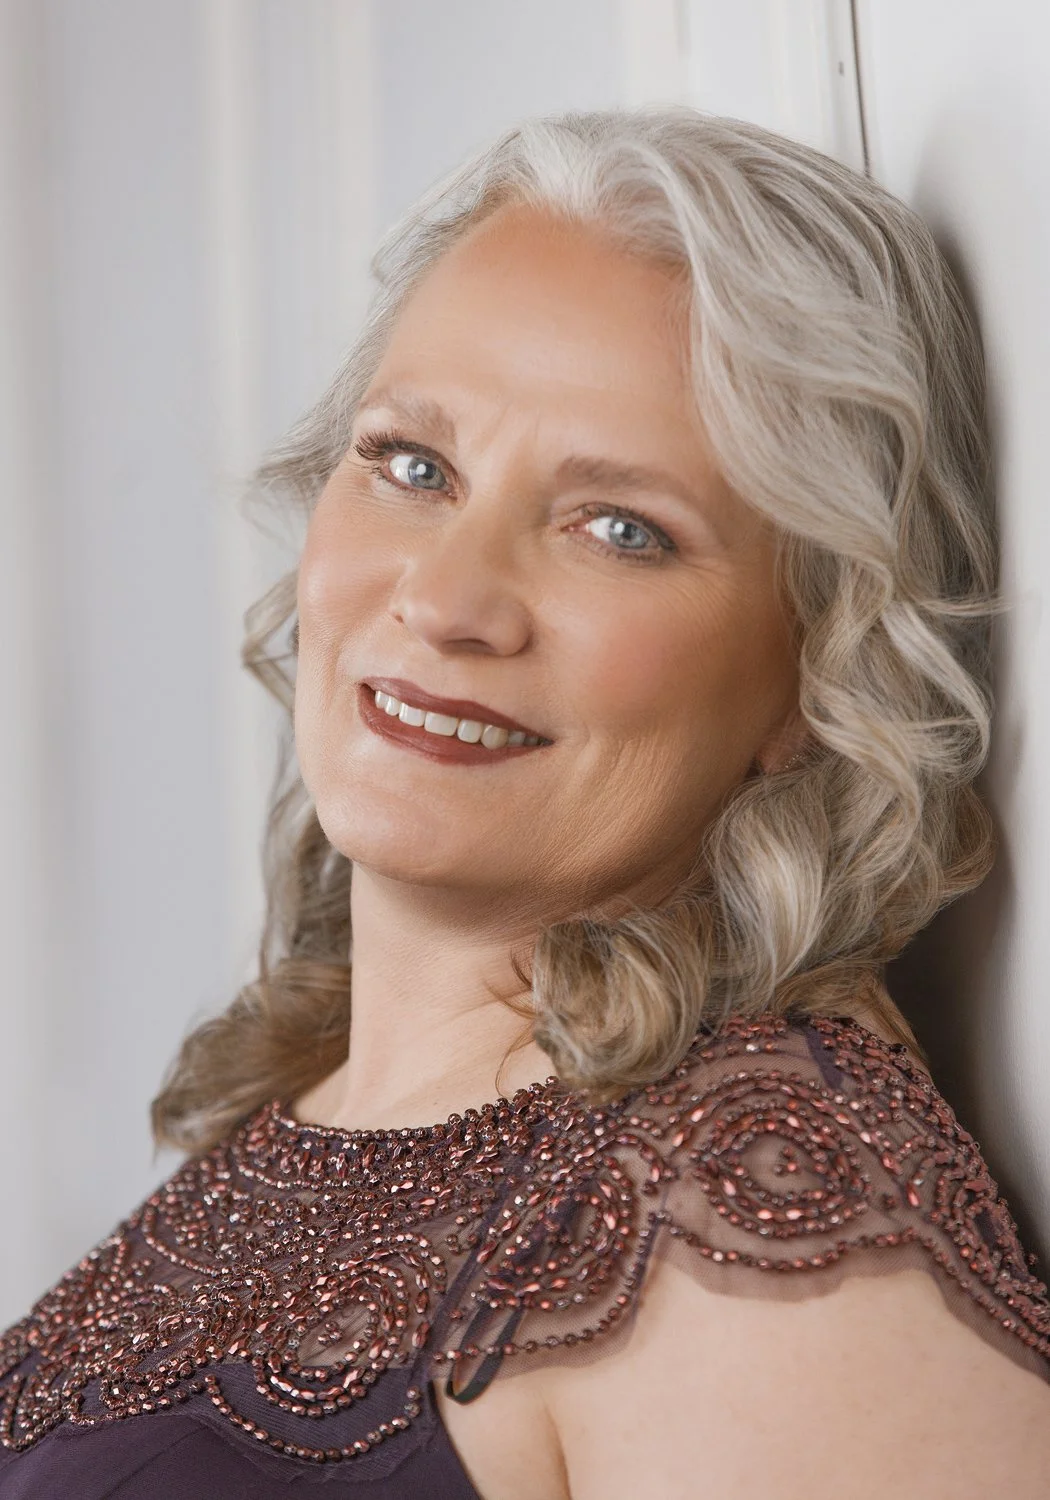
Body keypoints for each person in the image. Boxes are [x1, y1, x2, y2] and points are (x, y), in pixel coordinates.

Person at [2, 104, 1049, 1499]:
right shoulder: (303, 1109)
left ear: (816, 664)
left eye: (620, 529)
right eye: (411, 465)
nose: (444, 598)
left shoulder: (755, 1220)